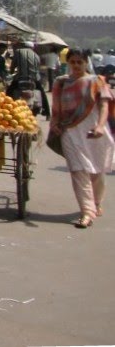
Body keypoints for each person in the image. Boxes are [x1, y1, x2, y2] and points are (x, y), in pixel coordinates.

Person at [50, 48, 115, 229]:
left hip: (94, 131)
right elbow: (56, 108)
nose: (76, 65)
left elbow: (104, 106)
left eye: (80, 62)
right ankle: (87, 212)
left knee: (97, 171)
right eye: (73, 62)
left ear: (86, 63)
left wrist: (101, 126)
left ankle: (97, 202)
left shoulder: (97, 81)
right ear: (68, 63)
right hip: (70, 131)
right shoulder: (61, 83)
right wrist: (54, 123)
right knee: (78, 170)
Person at [8, 40, 47, 117]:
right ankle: (47, 112)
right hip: (34, 79)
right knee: (42, 93)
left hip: (20, 78)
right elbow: (38, 68)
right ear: (32, 48)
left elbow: (13, 67)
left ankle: (7, 109)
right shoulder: (36, 55)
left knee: (9, 91)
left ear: (24, 46)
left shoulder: (18, 51)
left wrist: (11, 71)